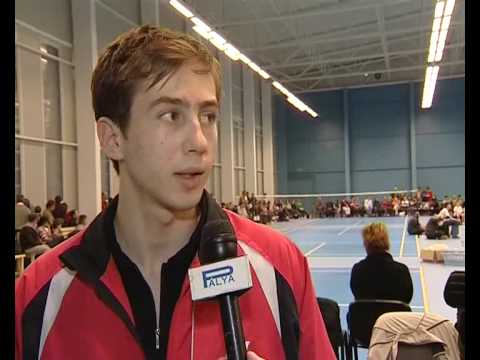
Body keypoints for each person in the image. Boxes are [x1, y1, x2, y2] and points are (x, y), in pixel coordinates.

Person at [15, 25, 334, 360]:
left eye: (208, 116)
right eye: (171, 115)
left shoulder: (280, 267)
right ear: (112, 139)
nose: (199, 142)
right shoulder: (40, 293)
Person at [350, 222, 413, 303]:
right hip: (394, 315)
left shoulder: (358, 270)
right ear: (386, 241)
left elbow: (358, 296)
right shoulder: (402, 270)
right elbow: (407, 299)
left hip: (366, 315)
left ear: (365, 244)